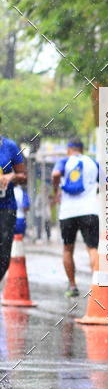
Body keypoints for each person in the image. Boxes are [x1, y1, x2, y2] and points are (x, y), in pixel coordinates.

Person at [51, 139, 100, 298]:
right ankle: (97, 287)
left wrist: (56, 190)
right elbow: (107, 181)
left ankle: (72, 286)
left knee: (67, 248)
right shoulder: (93, 162)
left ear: (69, 149)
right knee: (92, 248)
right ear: (82, 149)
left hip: (68, 212)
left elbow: (55, 174)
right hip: (90, 211)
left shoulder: (65, 161)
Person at [0, 122, 28, 285]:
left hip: (6, 207)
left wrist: (11, 177)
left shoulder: (9, 146)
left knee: (4, 255)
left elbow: (23, 176)